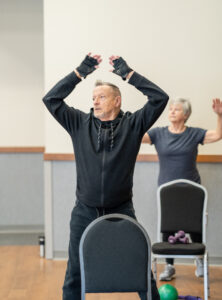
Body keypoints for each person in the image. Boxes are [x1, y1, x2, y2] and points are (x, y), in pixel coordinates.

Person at [43, 53, 169, 300]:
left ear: (117, 101)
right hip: (84, 210)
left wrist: (128, 74)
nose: (96, 102)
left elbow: (159, 98)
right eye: (93, 98)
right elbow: (51, 99)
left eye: (101, 97)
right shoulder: (79, 123)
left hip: (121, 209)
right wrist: (80, 72)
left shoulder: (133, 125)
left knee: (139, 265)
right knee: (75, 274)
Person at [143, 97, 222, 281]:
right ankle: (169, 266)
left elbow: (218, 135)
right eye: (170, 109)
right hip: (166, 191)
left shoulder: (194, 134)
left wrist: (219, 115)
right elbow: (136, 135)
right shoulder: (158, 134)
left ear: (185, 115)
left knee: (194, 228)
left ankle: (199, 261)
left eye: (176, 109)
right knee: (168, 228)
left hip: (192, 191)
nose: (171, 111)